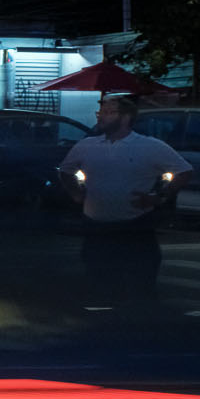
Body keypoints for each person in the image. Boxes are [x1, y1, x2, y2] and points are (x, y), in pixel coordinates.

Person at [60, 94, 188, 304]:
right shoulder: (87, 145)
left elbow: (184, 171)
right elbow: (65, 170)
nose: (101, 117)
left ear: (126, 117)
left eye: (108, 113)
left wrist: (159, 196)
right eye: (100, 112)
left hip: (134, 227)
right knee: (98, 283)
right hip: (96, 226)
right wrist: (76, 193)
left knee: (138, 284)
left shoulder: (149, 146)